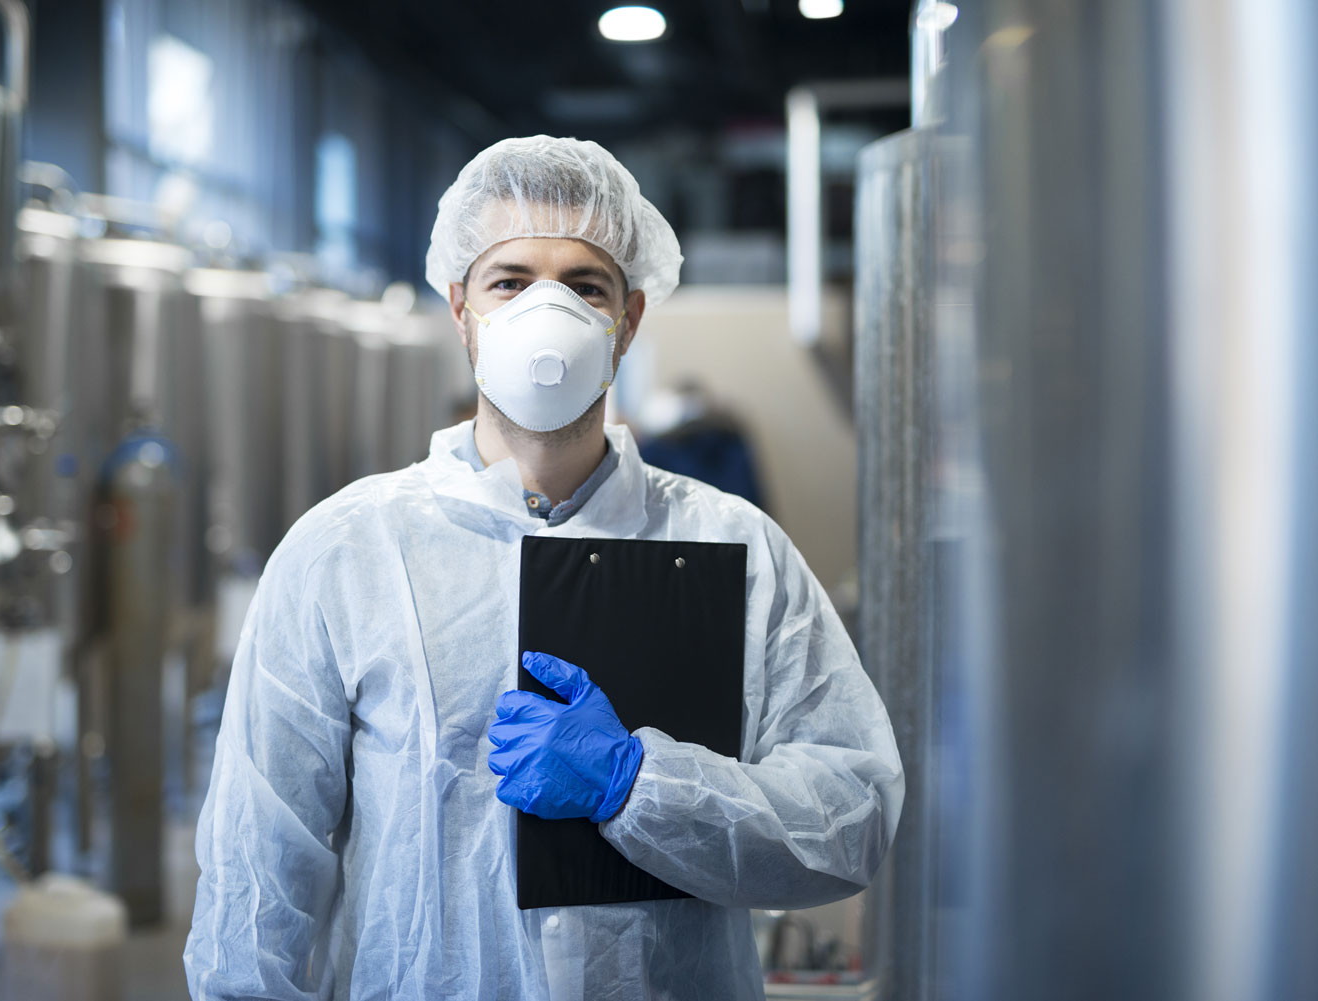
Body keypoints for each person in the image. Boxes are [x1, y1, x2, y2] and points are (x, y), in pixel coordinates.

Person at [184, 135, 903, 1001]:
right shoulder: (345, 552)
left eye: (585, 284)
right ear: (461, 309)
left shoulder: (734, 546)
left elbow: (851, 814)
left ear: (628, 320)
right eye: (511, 281)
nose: (546, 310)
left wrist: (642, 783)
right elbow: (258, 872)